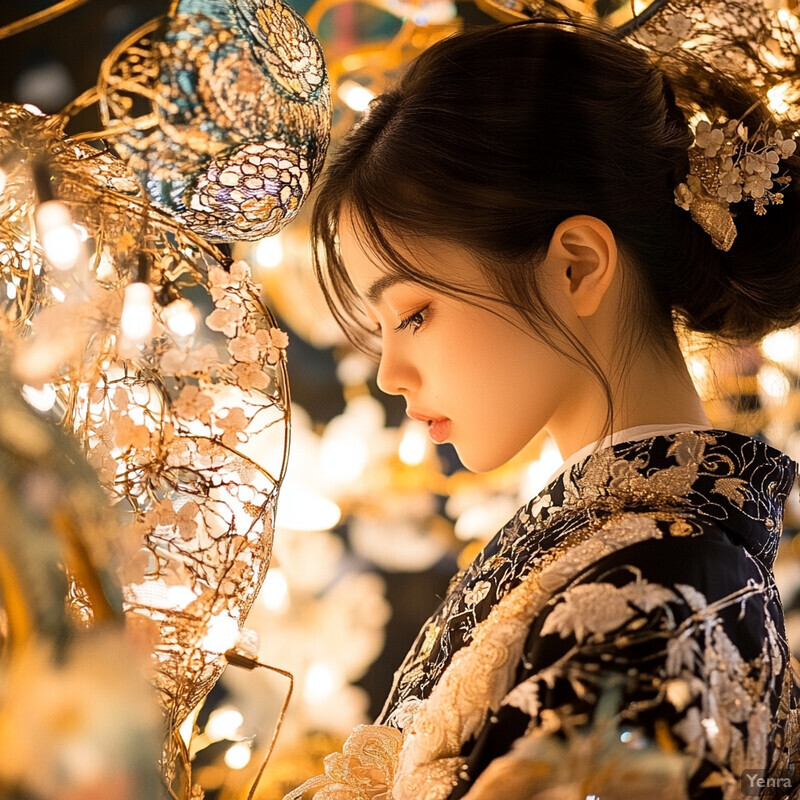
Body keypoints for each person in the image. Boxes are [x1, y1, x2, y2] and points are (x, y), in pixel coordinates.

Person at [286, 18, 800, 800]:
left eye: (415, 313)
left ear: (576, 265)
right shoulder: (630, 558)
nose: (390, 373)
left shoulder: (663, 593)